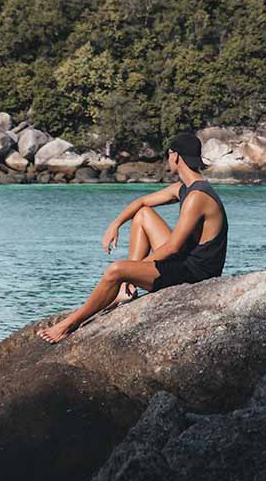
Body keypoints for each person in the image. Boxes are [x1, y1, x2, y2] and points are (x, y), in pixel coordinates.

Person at [36, 130, 229, 344]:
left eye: (169, 155)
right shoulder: (185, 188)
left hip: (195, 273)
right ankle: (124, 293)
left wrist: (131, 271)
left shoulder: (197, 197)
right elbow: (142, 203)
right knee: (142, 215)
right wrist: (115, 224)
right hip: (186, 259)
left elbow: (173, 248)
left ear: (175, 156)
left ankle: (69, 324)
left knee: (116, 270)